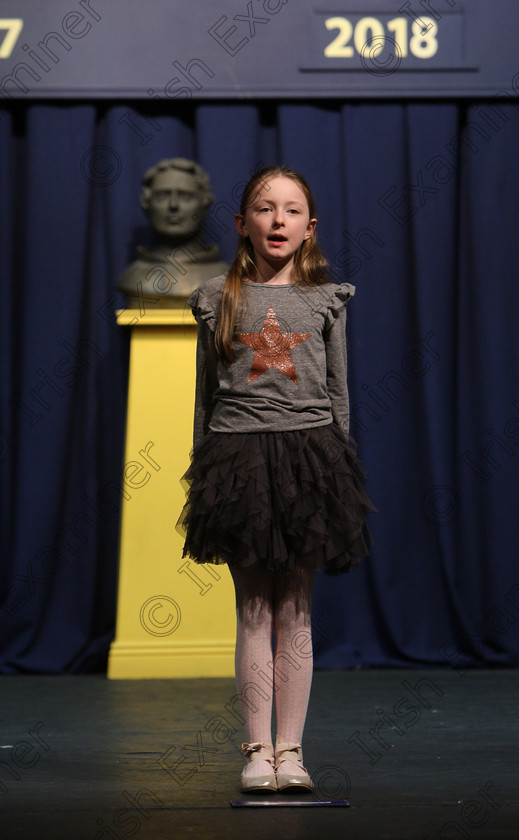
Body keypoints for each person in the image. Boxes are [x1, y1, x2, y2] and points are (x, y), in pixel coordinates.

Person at [176, 165, 375, 794]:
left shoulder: (325, 300)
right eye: (265, 209)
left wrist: (337, 468)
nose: (278, 220)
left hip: (309, 462)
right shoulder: (218, 299)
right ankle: (256, 747)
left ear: (310, 228)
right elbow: (205, 396)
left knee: (297, 607)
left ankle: (292, 750)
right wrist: (205, 469)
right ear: (242, 223)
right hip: (238, 463)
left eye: (292, 211)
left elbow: (339, 394)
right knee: (255, 607)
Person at [116, 158, 228, 307]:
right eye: (162, 196)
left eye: (185, 196)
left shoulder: (225, 279)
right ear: (146, 203)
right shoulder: (133, 277)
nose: (173, 205)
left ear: (205, 203)